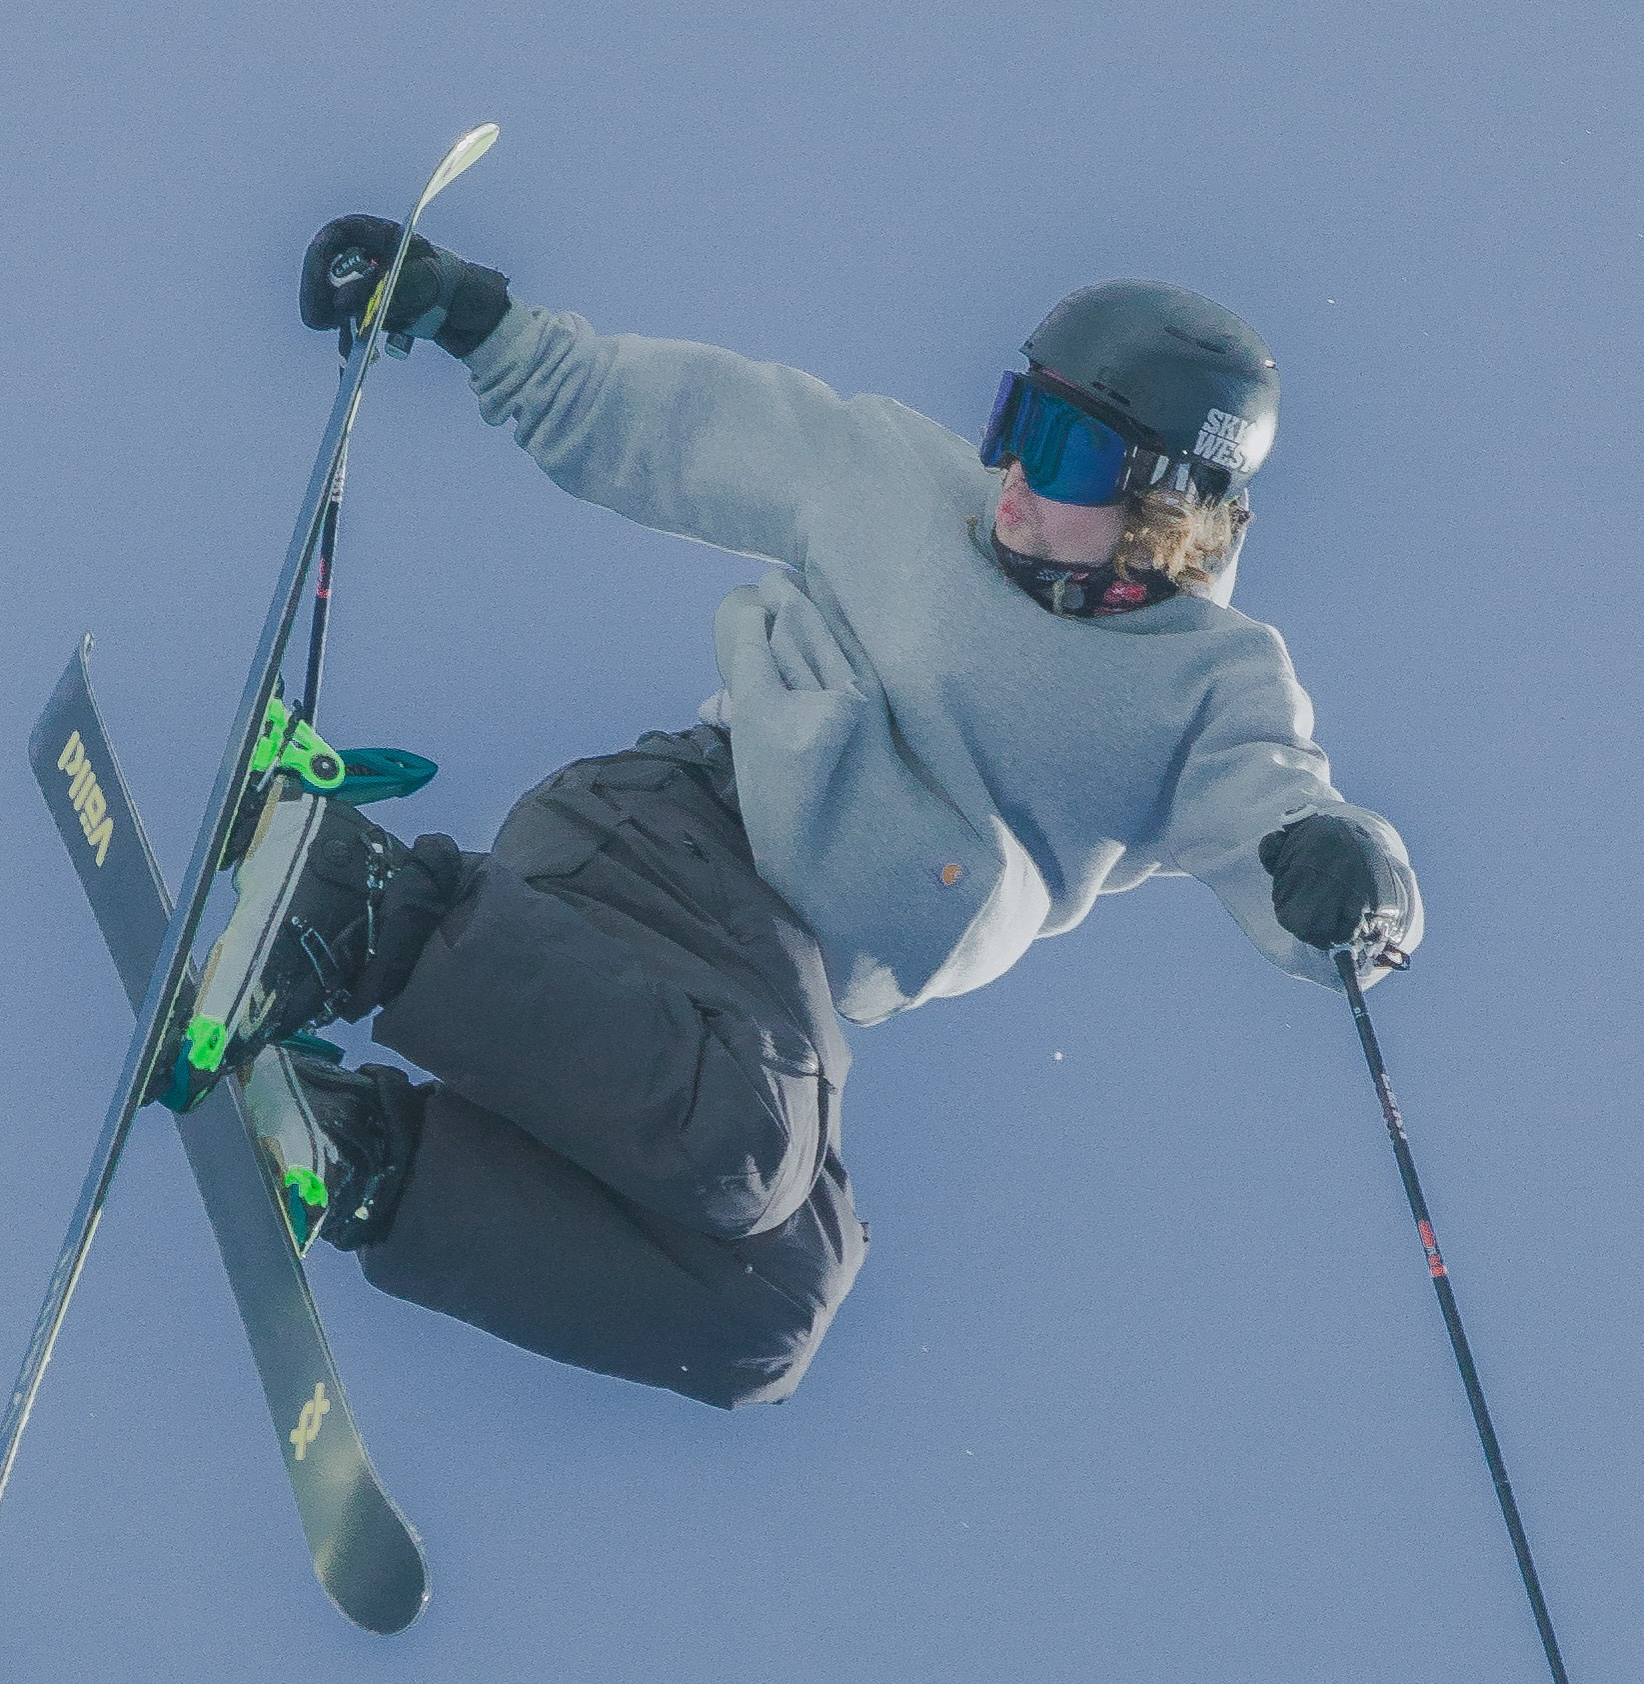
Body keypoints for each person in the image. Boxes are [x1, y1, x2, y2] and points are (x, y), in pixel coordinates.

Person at [196, 221, 1421, 1409]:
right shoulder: (899, 483)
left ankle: (356, 1155)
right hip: (670, 840)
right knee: (742, 1142)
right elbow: (662, 423)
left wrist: (1344, 880)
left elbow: (1285, 821)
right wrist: (467, 316)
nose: (1011, 471)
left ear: (1166, 510)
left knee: (769, 1311)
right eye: (1016, 418)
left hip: (764, 983)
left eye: (1065, 450)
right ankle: (358, 910)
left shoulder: (1207, 684)